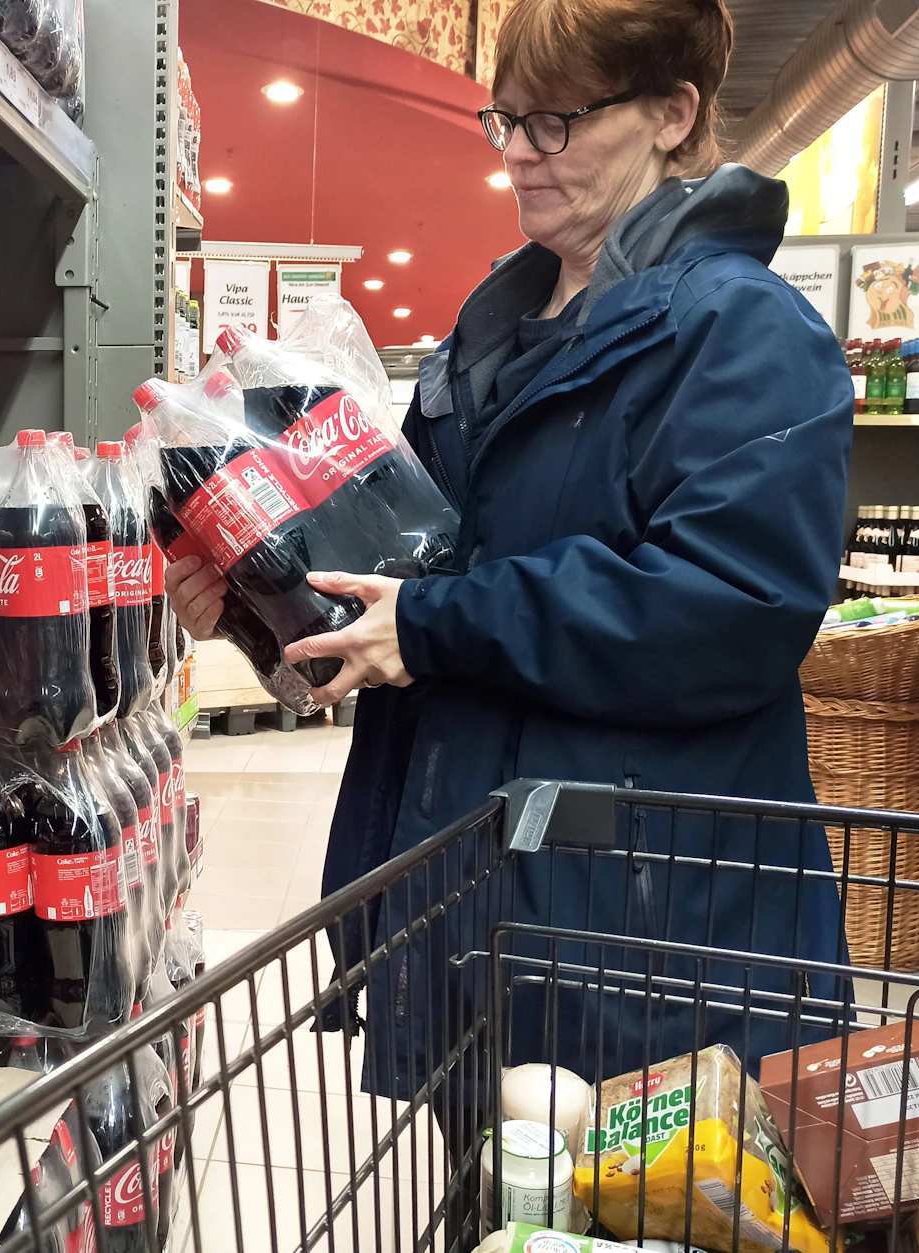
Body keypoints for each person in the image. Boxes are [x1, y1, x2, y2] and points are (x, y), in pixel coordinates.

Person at [165, 0, 851, 1095]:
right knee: (489, 1176)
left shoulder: (742, 330)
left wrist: (432, 625)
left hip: (644, 942)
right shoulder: (487, 340)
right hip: (474, 909)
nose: (520, 155)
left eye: (557, 122)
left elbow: (732, 607)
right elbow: (415, 574)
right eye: (506, 121)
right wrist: (264, 604)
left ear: (673, 113)